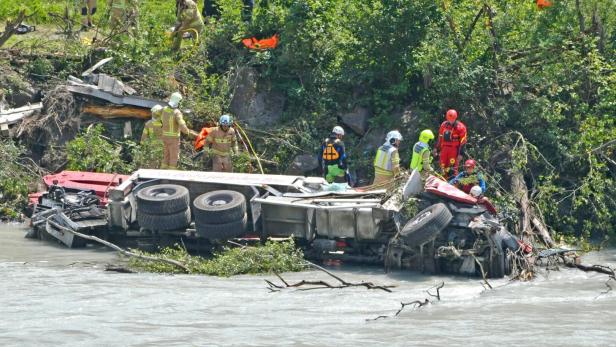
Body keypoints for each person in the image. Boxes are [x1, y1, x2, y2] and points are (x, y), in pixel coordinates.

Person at [160, 92, 198, 169]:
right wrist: (187, 132)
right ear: (178, 102)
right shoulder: (177, 112)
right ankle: (171, 176)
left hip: (164, 137)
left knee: (166, 157)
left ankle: (162, 175)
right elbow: (182, 126)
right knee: (173, 158)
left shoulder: (164, 109)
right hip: (173, 139)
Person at [434, 109, 467, 179]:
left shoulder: (461, 127)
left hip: (454, 150)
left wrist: (461, 154)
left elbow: (463, 141)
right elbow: (440, 138)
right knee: (442, 167)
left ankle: (452, 183)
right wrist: (436, 148)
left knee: (452, 168)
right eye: (449, 119)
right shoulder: (443, 125)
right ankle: (442, 181)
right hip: (444, 149)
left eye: (452, 119)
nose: (451, 121)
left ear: (455, 118)